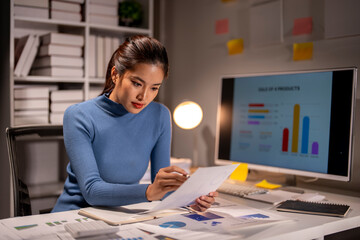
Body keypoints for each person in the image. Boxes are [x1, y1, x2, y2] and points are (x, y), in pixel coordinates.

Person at [52, 35, 218, 213]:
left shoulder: (160, 115)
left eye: (154, 88)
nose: (144, 96)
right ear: (116, 75)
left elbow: (161, 188)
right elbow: (92, 191)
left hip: (122, 216)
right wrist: (149, 191)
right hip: (74, 215)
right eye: (137, 83)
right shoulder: (78, 116)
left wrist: (190, 200)